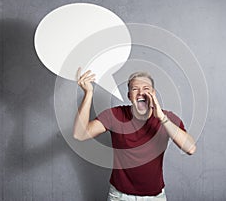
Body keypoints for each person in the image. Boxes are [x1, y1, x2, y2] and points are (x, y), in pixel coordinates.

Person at [73, 68, 196, 201]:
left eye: (146, 88)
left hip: (155, 197)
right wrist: (88, 93)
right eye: (135, 89)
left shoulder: (168, 118)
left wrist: (162, 118)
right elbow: (80, 134)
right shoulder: (115, 115)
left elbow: (190, 148)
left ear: (153, 93)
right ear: (129, 96)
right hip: (119, 196)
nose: (141, 93)